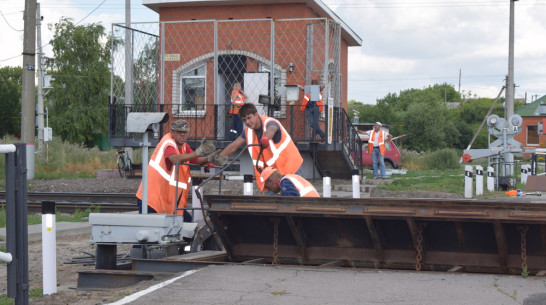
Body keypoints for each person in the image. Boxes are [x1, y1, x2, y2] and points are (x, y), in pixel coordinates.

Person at [135, 119, 219, 221]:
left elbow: (195, 159)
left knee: (187, 226)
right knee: (156, 232)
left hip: (167, 201)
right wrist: (198, 152)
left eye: (185, 132)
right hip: (151, 200)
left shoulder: (183, 146)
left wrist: (209, 160)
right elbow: (174, 159)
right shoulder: (168, 143)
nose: (182, 135)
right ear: (172, 132)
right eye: (179, 132)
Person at [218, 103, 303, 192]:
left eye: (249, 117)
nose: (247, 122)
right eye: (244, 120)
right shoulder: (248, 131)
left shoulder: (270, 123)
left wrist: (266, 138)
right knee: (272, 202)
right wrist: (217, 158)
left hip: (290, 167)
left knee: (292, 198)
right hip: (274, 173)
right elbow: (234, 146)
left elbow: (272, 129)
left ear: (256, 114)